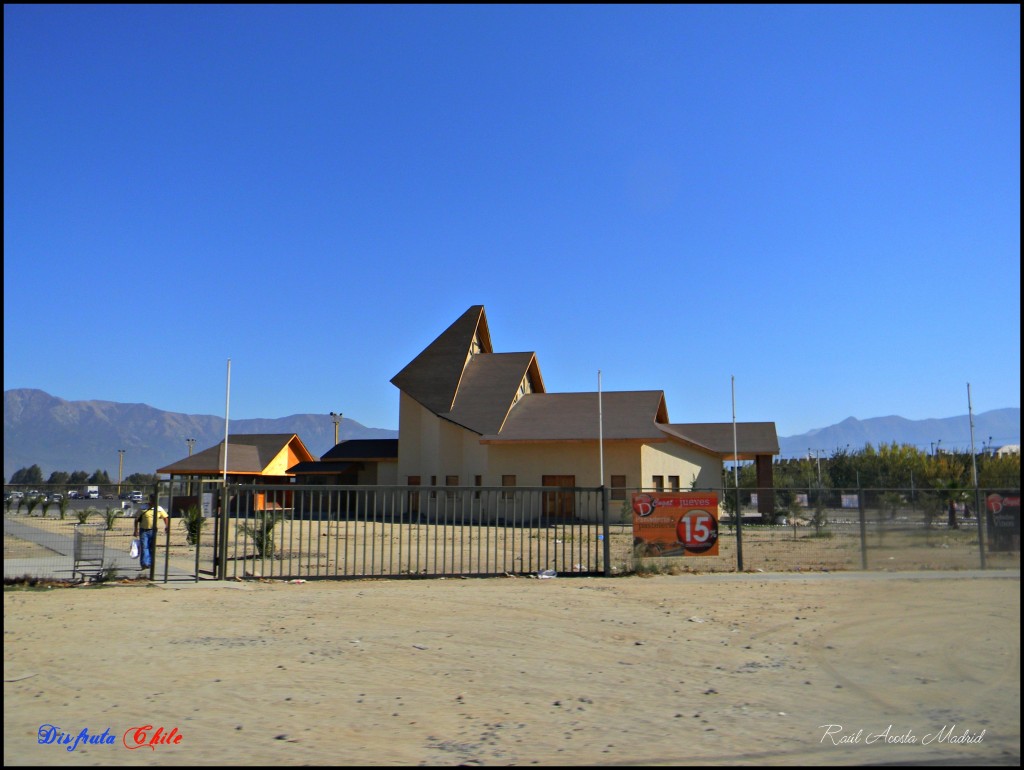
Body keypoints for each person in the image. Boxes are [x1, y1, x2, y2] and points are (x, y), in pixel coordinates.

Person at [134, 494, 169, 571]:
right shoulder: (143, 508)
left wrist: (166, 526)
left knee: (151, 548)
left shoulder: (159, 509)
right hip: (144, 530)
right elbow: (136, 519)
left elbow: (165, 517)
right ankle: (144, 563)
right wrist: (136, 530)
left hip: (153, 531)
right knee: (144, 547)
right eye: (153, 501)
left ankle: (150, 563)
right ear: (150, 500)